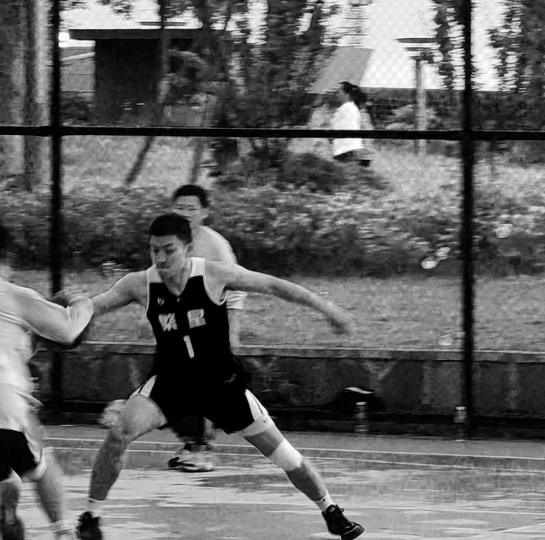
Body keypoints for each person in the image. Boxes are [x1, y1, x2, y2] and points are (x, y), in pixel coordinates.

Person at [76, 214, 364, 540]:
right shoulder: (139, 284)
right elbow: (92, 307)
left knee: (283, 454)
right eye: (154, 250)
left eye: (169, 250)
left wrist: (328, 309)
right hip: (171, 381)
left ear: (188, 249)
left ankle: (330, 510)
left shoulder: (213, 274)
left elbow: (274, 285)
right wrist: (56, 313)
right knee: (119, 433)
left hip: (221, 383)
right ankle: (91, 518)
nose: (160, 259)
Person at [0, 219, 94, 540]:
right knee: (41, 466)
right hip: (6, 405)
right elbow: (68, 331)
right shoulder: (15, 296)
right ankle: (62, 531)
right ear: (8, 257)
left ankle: (1, 502)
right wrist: (82, 305)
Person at [167, 184, 247, 473]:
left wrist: (232, 332)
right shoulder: (168, 243)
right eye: (180, 207)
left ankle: (202, 449)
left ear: (204, 212)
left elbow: (237, 288)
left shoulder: (215, 245)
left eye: (191, 208)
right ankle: (191, 444)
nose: (185, 213)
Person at [330, 81, 365, 163]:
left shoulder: (348, 109)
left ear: (347, 94)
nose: (336, 94)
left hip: (346, 150)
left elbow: (339, 128)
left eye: (338, 92)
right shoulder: (348, 108)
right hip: (346, 149)